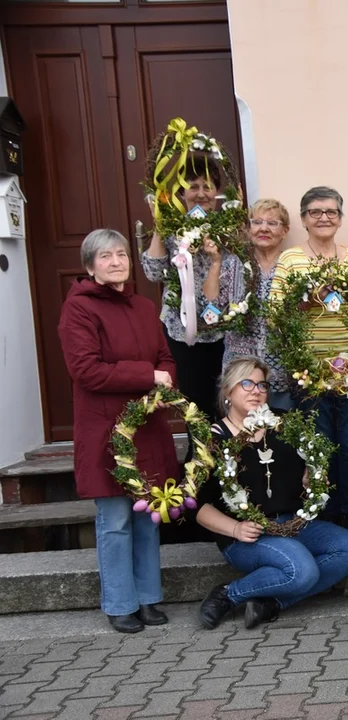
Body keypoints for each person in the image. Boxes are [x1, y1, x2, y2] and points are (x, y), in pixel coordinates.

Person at [59, 229, 178, 634]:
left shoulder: (145, 307)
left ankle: (147, 598)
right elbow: (86, 370)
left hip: (146, 426)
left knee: (148, 517)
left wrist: (166, 385)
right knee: (115, 520)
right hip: (106, 430)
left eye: (122, 254)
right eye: (105, 256)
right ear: (90, 266)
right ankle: (119, 602)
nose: (116, 261)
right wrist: (150, 376)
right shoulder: (78, 310)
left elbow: (166, 359)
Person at [196, 357, 348, 631]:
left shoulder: (284, 423)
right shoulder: (213, 438)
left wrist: (313, 474)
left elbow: (312, 464)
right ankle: (228, 594)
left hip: (291, 523)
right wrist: (236, 528)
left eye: (262, 384)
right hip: (248, 534)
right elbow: (199, 506)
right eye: (246, 383)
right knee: (302, 570)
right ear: (228, 391)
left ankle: (271, 603)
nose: (256, 390)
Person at [270, 186, 348, 548]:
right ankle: (325, 518)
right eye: (316, 212)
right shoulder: (290, 260)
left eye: (331, 212)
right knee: (320, 445)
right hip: (309, 369)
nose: (324, 218)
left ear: (340, 218)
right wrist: (307, 302)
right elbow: (275, 317)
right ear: (303, 219)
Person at [140, 155, 227, 416]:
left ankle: (226, 453)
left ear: (217, 191)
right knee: (193, 399)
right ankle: (198, 452)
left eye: (207, 186)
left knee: (225, 397)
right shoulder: (171, 228)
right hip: (182, 330)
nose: (201, 193)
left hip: (223, 328)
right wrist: (159, 224)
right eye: (193, 186)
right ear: (182, 191)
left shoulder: (229, 228)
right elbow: (153, 273)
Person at [203, 199, 292, 410]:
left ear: (285, 231)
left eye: (272, 223)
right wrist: (215, 263)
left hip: (281, 371)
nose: (263, 228)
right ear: (248, 228)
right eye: (257, 222)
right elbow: (211, 303)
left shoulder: (292, 263)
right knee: (239, 434)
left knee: (280, 434)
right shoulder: (234, 262)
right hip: (240, 371)